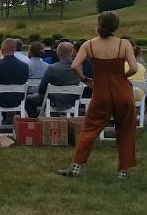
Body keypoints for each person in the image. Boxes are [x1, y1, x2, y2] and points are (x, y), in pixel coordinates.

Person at [59, 12, 138, 180]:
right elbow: (134, 68)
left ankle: (76, 167)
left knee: (90, 129)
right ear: (116, 26)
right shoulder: (124, 44)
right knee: (125, 130)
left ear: (99, 24)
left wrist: (85, 79)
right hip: (122, 91)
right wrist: (122, 77)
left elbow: (74, 65)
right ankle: (122, 172)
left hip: (101, 92)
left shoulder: (89, 44)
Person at [25, 41, 82, 117]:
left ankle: (35, 121)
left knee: (27, 99)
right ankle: (55, 118)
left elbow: (42, 89)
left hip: (55, 100)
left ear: (58, 53)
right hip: (73, 99)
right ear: (72, 52)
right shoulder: (79, 67)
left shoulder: (53, 68)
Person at [0, 38, 29, 120]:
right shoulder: (24, 66)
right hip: (18, 99)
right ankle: (9, 119)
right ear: (15, 48)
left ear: (2, 48)